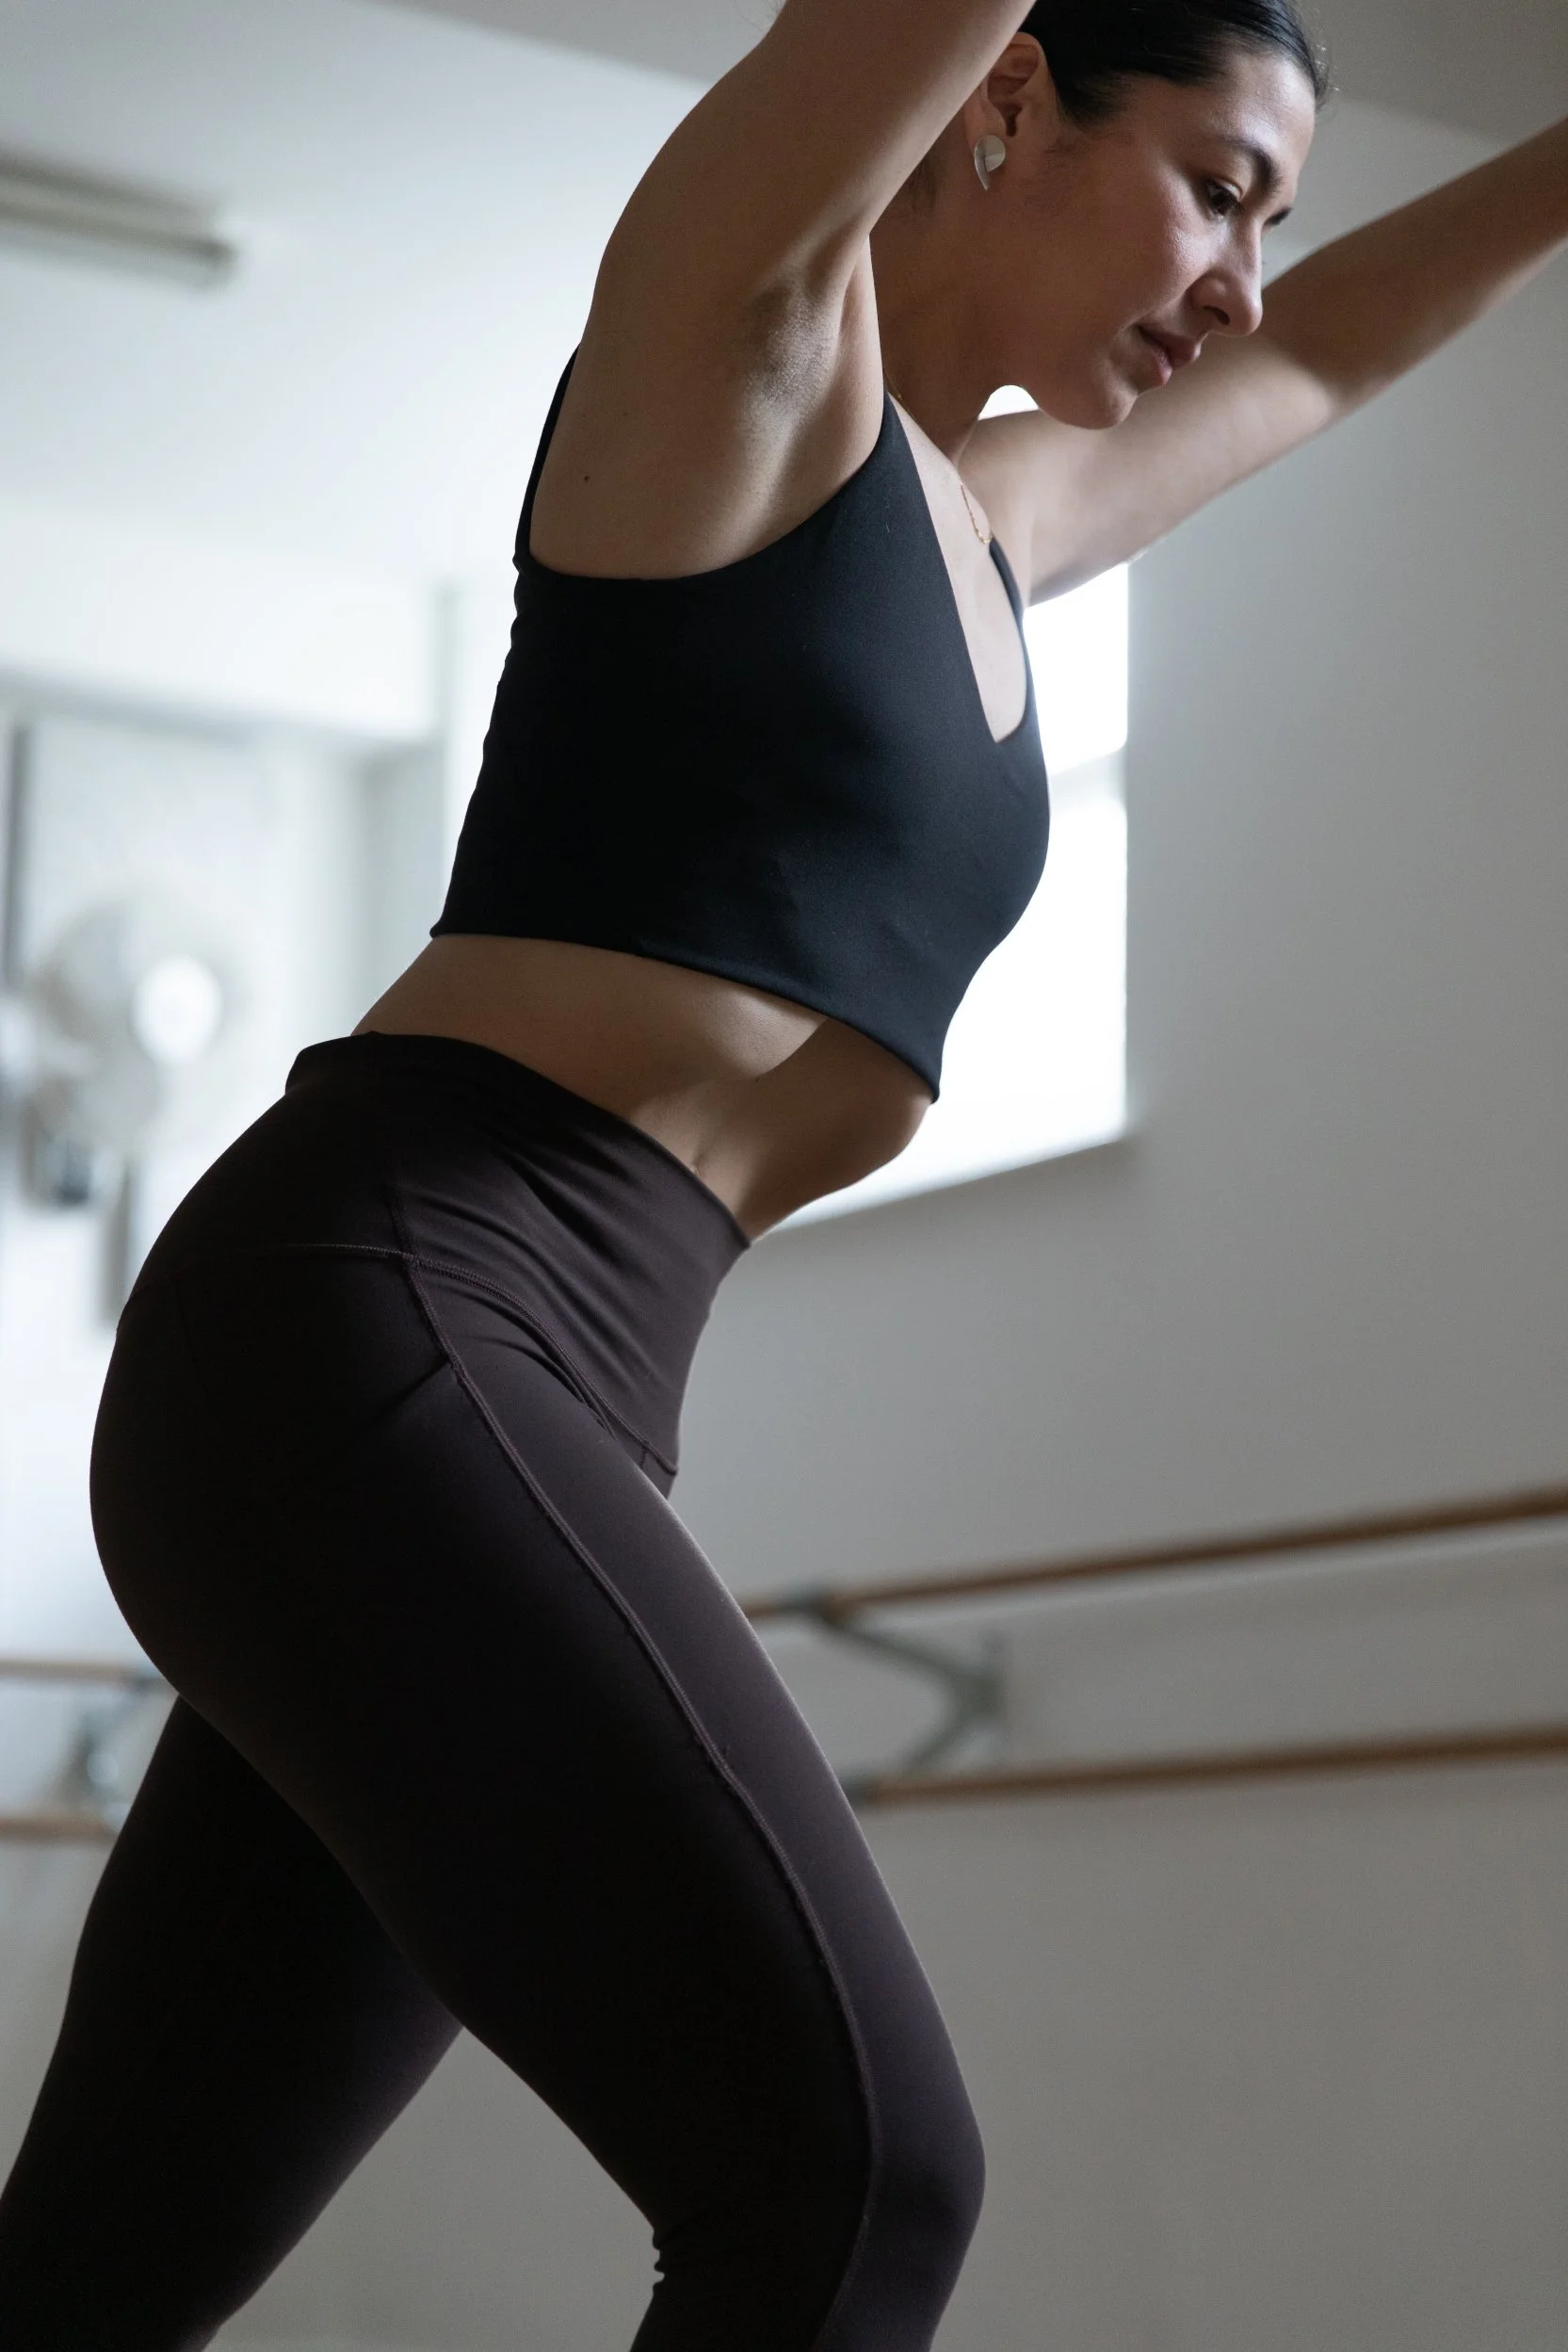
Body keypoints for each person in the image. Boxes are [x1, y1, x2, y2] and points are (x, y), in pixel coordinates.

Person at [1, 0, 1563, 2343]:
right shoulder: (735, 348)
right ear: (1006, 95)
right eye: (1218, 187)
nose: (1244, 276)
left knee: (94, 2286)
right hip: (387, 1313)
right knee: (855, 2182)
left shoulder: (997, 524)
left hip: (498, 1383)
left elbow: (1327, 352)